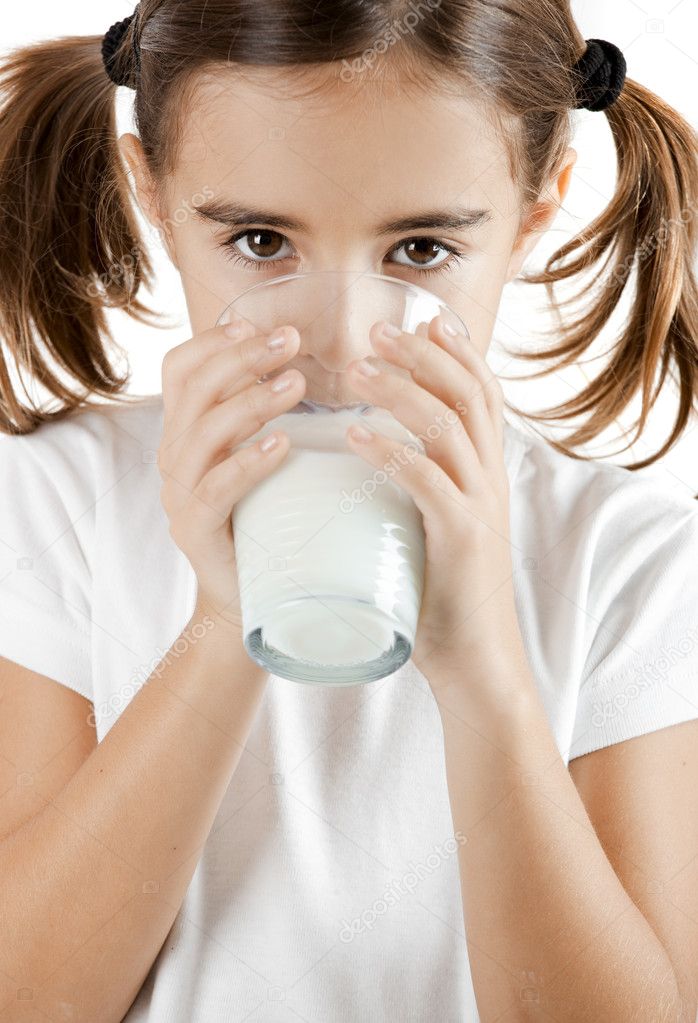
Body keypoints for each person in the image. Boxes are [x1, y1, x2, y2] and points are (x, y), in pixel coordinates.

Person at [0, 2, 696, 1021]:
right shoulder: (58, 503)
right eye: (258, 239)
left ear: (538, 206)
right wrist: (220, 622)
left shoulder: (625, 559)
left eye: (418, 250)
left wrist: (479, 661)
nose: (338, 341)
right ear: (151, 191)